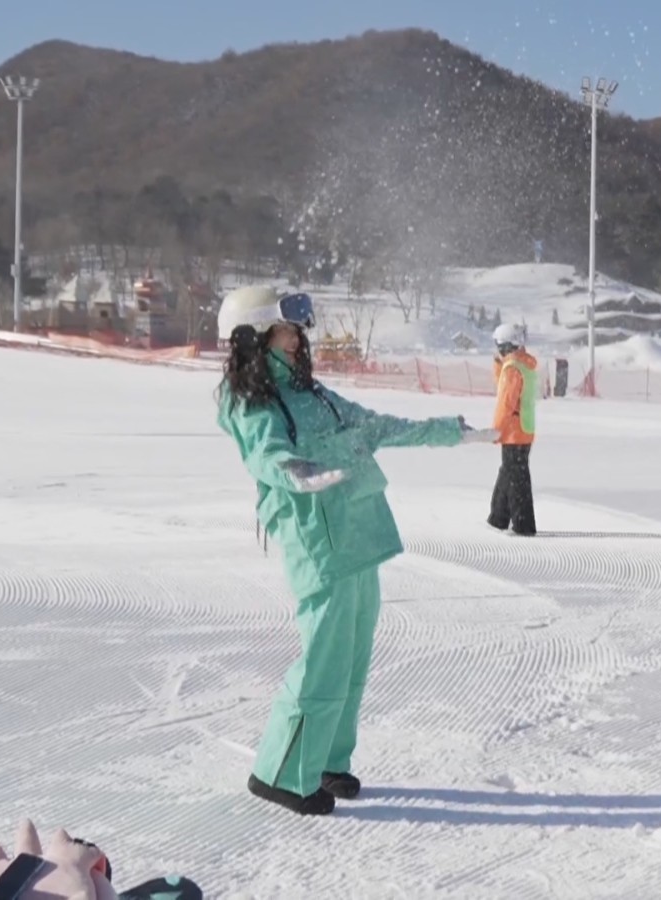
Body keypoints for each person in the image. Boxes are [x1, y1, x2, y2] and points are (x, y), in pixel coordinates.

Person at [214, 286, 496, 816]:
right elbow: (263, 449)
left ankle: (325, 761)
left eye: (297, 331)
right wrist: (294, 470)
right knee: (323, 657)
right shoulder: (252, 402)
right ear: (254, 337)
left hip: (358, 534)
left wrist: (447, 433)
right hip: (317, 541)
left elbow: (373, 425)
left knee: (351, 659)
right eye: (285, 331)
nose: (297, 340)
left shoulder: (313, 394)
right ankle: (280, 772)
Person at [488, 322, 539, 536]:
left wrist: (496, 430)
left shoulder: (513, 369)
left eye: (499, 346)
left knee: (516, 477)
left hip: (513, 430)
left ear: (507, 345)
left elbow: (506, 402)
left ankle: (523, 525)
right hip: (524, 428)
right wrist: (500, 365)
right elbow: (504, 382)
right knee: (509, 471)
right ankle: (498, 518)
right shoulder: (522, 364)